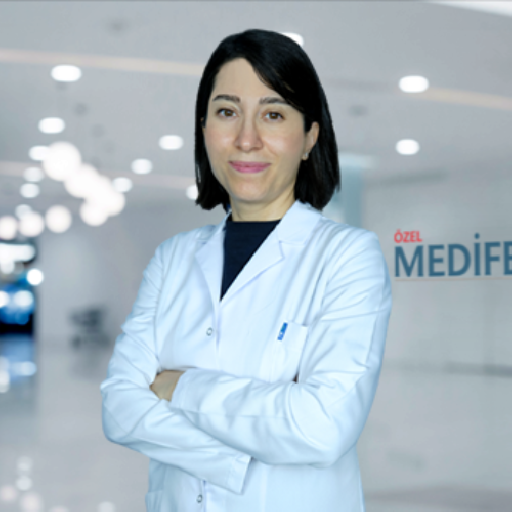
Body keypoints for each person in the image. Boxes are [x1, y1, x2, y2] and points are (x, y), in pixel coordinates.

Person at [100, 28, 392, 512]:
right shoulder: (172, 258)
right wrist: (238, 456)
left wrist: (179, 385)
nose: (246, 139)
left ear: (309, 136)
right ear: (204, 129)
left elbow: (322, 428)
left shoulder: (347, 256)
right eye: (227, 112)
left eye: (273, 114)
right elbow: (120, 408)